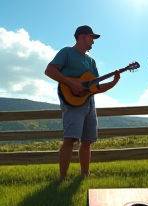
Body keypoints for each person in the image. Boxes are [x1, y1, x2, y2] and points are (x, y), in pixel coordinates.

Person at [45, 25, 120, 180]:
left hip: (89, 103)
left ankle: (85, 174)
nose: (93, 41)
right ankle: (62, 177)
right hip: (71, 102)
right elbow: (50, 70)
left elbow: (96, 87)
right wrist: (71, 83)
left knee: (87, 141)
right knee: (70, 139)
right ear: (81, 37)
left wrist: (114, 82)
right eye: (91, 37)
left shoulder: (91, 61)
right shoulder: (66, 52)